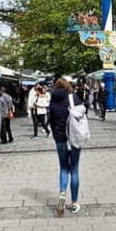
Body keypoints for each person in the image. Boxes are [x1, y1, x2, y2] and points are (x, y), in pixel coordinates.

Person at [49, 78, 83, 216]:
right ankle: (74, 202)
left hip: (60, 139)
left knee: (63, 168)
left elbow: (50, 120)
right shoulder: (73, 97)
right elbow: (82, 115)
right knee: (74, 169)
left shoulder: (53, 100)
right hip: (74, 137)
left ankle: (62, 193)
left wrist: (56, 134)